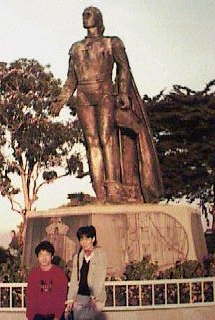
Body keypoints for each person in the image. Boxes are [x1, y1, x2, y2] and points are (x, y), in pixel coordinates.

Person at [51, 6, 163, 203]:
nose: (85, 17)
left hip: (104, 93)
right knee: (91, 142)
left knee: (106, 138)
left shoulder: (111, 43)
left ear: (98, 19)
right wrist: (61, 99)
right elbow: (71, 79)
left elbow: (124, 68)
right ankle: (100, 190)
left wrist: (123, 92)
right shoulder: (76, 48)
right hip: (83, 95)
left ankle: (113, 188)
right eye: (84, 14)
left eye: (89, 14)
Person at [65, 225, 107, 320]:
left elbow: (99, 278)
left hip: (95, 299)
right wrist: (70, 299)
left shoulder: (100, 255)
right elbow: (75, 279)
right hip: (80, 297)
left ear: (93, 239)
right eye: (81, 239)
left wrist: (94, 297)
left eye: (87, 238)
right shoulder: (78, 257)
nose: (84, 242)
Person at [26, 240, 68, 320]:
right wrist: (30, 317)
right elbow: (30, 299)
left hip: (55, 315)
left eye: (47, 255)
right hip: (38, 315)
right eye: (41, 255)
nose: (44, 258)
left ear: (52, 257)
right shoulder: (33, 275)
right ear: (38, 257)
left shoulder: (59, 274)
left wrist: (57, 317)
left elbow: (61, 298)